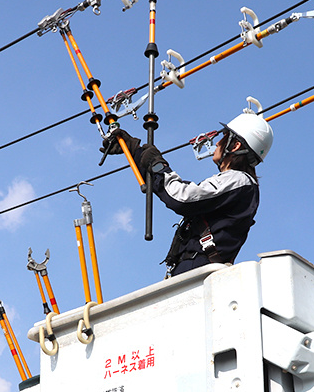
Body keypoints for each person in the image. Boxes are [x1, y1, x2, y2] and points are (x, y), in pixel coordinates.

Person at [102, 112, 273, 276]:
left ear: (235, 146)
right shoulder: (236, 184)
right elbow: (169, 190)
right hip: (195, 269)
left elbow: (181, 198)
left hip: (200, 269)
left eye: (224, 137)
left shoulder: (238, 180)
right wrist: (135, 151)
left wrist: (158, 165)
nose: (217, 143)